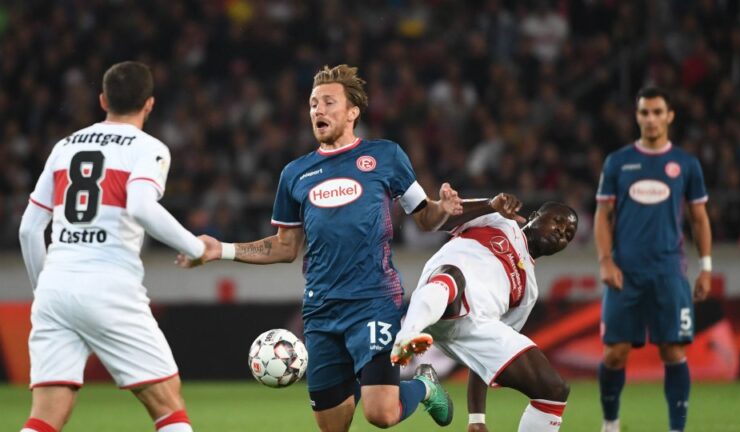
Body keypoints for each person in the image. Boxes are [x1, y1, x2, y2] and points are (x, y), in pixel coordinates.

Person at [178, 64, 478, 431]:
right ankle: (362, 377)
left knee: (381, 413)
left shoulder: (386, 156)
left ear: (352, 112)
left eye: (328, 102)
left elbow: (425, 218)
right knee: (333, 426)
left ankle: (424, 385)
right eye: (313, 104)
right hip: (321, 311)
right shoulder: (295, 174)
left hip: (373, 300)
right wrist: (220, 250)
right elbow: (285, 247)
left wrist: (442, 208)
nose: (318, 110)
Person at [18, 61, 209, 432]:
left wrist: (46, 291)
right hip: (109, 285)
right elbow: (141, 207)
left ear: (103, 100)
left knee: (44, 417)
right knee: (168, 406)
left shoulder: (64, 147)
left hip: (55, 286)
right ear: (149, 104)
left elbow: (29, 230)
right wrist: (197, 248)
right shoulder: (148, 148)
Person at [391, 200, 578, 432]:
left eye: (568, 235)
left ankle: (409, 337)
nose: (561, 232)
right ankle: (406, 336)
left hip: (475, 328)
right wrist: (490, 205)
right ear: (534, 216)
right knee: (453, 276)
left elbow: (488, 356)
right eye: (558, 221)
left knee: (554, 390)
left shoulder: (529, 292)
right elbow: (439, 221)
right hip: (442, 294)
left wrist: (476, 418)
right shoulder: (500, 220)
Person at [594, 86, 712, 432]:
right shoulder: (617, 162)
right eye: (644, 112)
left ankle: (677, 428)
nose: (651, 118)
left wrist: (706, 267)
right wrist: (605, 260)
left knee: (673, 351)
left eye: (657, 112)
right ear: (637, 116)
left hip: (669, 271)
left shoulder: (686, 164)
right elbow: (603, 215)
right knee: (614, 353)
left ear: (669, 116)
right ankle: (610, 423)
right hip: (625, 271)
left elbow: (699, 218)